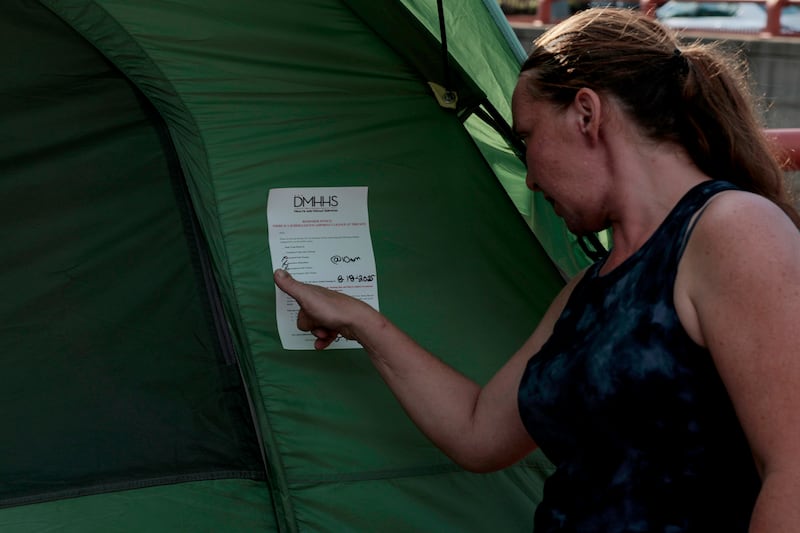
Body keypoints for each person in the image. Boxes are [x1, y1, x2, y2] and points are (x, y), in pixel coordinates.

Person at [273, 7, 800, 532]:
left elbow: (793, 471)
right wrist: (361, 321)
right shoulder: (589, 289)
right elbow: (478, 433)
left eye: (528, 139)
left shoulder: (732, 229)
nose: (528, 177)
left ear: (586, 114)